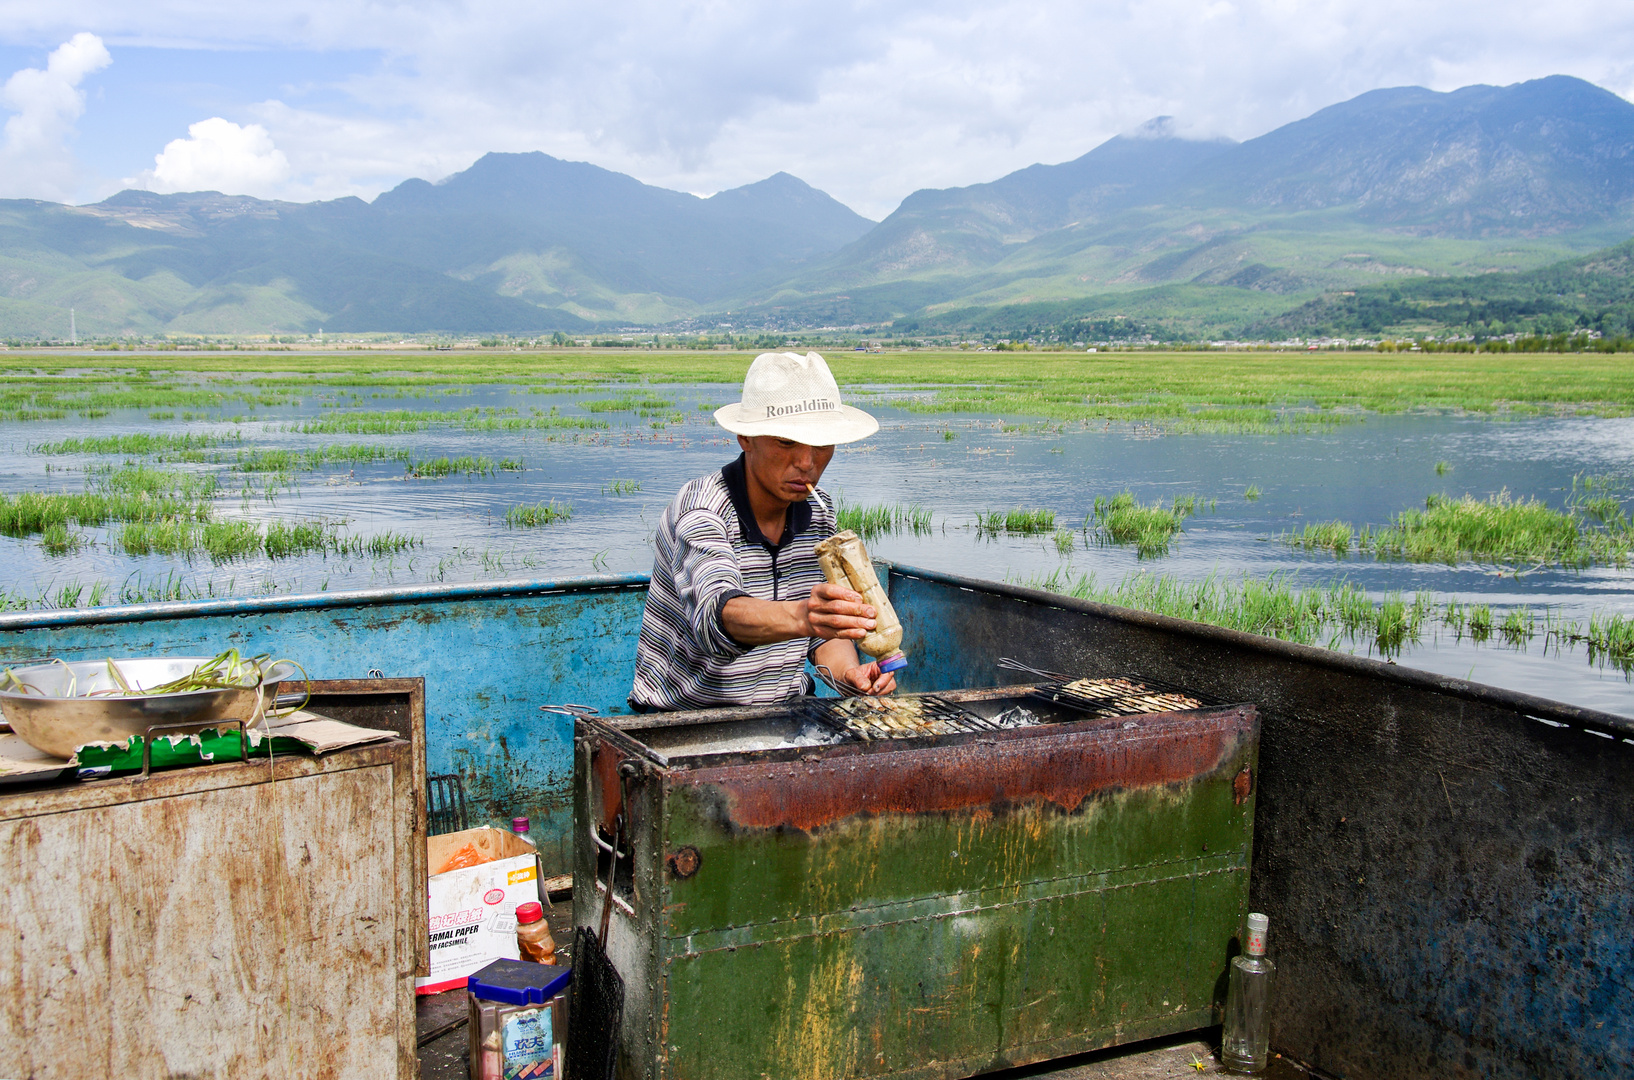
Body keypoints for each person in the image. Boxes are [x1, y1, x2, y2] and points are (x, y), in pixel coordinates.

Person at [629, 351, 898, 712]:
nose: (807, 462)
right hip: (684, 721)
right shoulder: (703, 510)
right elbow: (716, 618)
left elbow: (819, 636)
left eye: (821, 444)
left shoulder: (819, 515)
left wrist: (848, 673)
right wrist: (804, 615)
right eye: (786, 442)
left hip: (782, 716)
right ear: (746, 437)